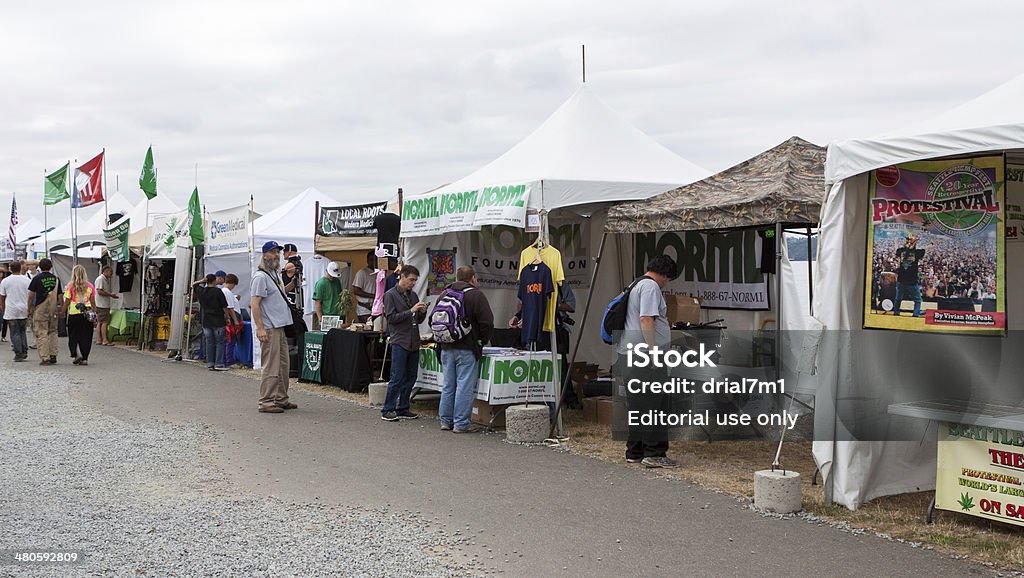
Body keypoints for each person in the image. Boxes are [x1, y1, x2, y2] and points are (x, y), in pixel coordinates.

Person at [618, 255, 678, 468]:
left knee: (638, 404)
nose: (666, 282)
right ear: (664, 274)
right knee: (656, 404)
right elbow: (646, 319)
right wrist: (654, 353)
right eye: (668, 278)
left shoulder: (635, 284)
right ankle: (654, 452)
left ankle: (634, 451)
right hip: (645, 355)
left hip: (630, 353)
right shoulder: (651, 287)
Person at [438, 266, 494, 433]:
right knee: (464, 385)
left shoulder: (444, 293)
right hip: (467, 347)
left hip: (446, 346)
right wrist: (481, 341)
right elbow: (487, 322)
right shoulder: (476, 295)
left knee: (448, 385)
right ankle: (461, 424)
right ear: (473, 278)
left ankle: (445, 421)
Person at [250, 241, 297, 413]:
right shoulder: (260, 277)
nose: (276, 255)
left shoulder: (273, 275)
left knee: (283, 365)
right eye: (272, 252)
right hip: (270, 327)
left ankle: (280, 398)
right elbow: (254, 305)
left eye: (277, 252)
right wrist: (260, 328)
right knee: (271, 365)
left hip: (279, 326)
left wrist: (292, 282)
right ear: (264, 255)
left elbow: (279, 294)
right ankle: (267, 401)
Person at [381, 265, 427, 422]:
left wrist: (422, 312)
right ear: (402, 277)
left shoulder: (413, 295)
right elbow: (391, 319)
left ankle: (403, 407)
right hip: (399, 340)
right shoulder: (390, 295)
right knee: (397, 376)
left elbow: (417, 320)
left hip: (413, 340)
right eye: (411, 279)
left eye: (415, 280)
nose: (413, 283)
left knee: (411, 377)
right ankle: (388, 408)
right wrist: (411, 311)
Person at [193, 273, 235, 371]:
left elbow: (193, 284)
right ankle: (219, 363)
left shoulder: (202, 291)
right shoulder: (218, 291)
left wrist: (201, 281)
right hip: (218, 319)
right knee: (219, 342)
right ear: (214, 281)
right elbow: (224, 306)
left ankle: (210, 363)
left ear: (206, 281)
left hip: (206, 320)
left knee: (209, 342)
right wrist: (228, 317)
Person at [27, 258, 61, 365]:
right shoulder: (56, 279)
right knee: (53, 332)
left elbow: (31, 295)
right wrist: (62, 308)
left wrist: (29, 309)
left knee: (42, 332)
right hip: (53, 308)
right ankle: (53, 354)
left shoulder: (36, 279)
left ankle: (45, 357)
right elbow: (60, 295)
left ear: (39, 267)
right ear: (50, 267)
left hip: (41, 308)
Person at [61, 264, 97, 366]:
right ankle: (85, 357)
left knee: (73, 335)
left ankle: (75, 353)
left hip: (74, 313)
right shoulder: (90, 286)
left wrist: (62, 312)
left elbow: (67, 301)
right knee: (86, 336)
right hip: (87, 313)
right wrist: (95, 313)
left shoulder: (70, 286)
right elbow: (93, 301)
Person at [0, 260, 31, 361]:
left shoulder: (5, 281)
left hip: (11, 309)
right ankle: (24, 349)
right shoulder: (26, 280)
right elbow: (30, 294)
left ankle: (19, 353)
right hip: (24, 308)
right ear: (20, 268)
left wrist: (3, 307)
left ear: (10, 269)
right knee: (22, 331)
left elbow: (2, 296)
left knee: (14, 332)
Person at [894, 235, 927, 317]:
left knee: (898, 299)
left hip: (901, 280)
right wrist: (933, 243)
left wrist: (896, 242)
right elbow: (926, 249)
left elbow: (896, 250)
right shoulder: (917, 252)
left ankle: (896, 314)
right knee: (918, 300)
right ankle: (915, 315)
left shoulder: (901, 251)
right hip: (912, 281)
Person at [312, 262, 343, 330]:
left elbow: (340, 297)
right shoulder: (321, 283)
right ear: (326, 271)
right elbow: (317, 302)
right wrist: (320, 319)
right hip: (326, 317)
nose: (332, 276)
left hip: (337, 316)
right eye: (331, 274)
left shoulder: (337, 281)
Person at [94, 265, 119, 346]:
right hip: (102, 304)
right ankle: (104, 339)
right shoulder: (100, 279)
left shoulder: (104, 280)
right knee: (104, 322)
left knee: (100, 322)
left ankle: (99, 339)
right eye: (110, 272)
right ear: (106, 271)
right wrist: (110, 295)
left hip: (102, 304)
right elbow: (99, 291)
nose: (111, 274)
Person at [352, 250, 378, 323]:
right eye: (371, 260)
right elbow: (356, 291)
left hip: (376, 308)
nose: (373, 262)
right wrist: (373, 296)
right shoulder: (362, 272)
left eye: (375, 260)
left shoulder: (379, 273)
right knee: (365, 330)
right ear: (367, 261)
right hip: (364, 309)